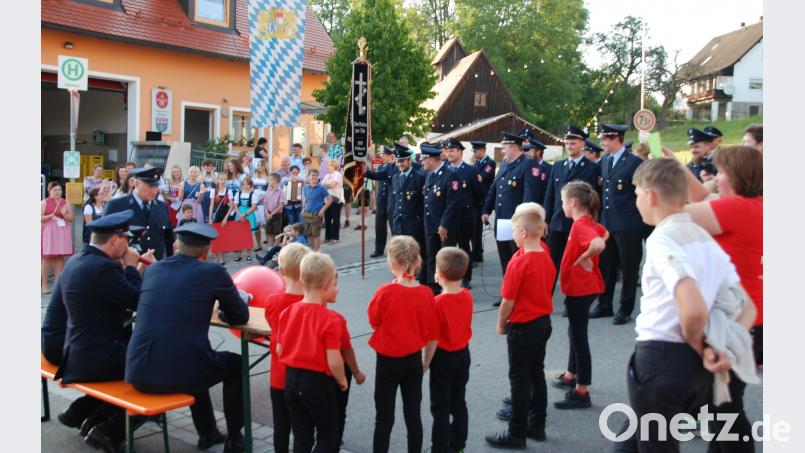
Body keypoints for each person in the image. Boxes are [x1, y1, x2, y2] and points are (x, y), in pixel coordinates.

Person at [612, 157, 754, 453]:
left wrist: (701, 345)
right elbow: (747, 307)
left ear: (650, 195)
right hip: (695, 370)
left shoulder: (663, 239)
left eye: (637, 194)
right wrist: (720, 346)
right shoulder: (705, 238)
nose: (637, 201)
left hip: (663, 356)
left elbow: (693, 308)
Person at [125, 222, 249, 453]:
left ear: (176, 246)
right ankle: (235, 439)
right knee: (234, 364)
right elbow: (240, 315)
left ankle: (208, 433)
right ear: (206, 252)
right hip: (175, 374)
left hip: (137, 369)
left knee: (194, 355)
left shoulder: (154, 269)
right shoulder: (213, 272)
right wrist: (224, 308)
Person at [673, 145, 763, 451]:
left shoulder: (734, 210)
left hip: (733, 320)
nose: (714, 177)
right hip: (749, 318)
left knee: (723, 410)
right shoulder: (754, 205)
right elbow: (701, 196)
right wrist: (675, 167)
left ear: (736, 176)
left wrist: (662, 182)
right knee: (722, 403)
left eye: (720, 172)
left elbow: (672, 213)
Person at [54, 210, 151, 452]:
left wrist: (130, 269)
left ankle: (84, 414)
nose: (129, 245)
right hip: (98, 357)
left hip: (78, 352)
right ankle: (107, 431)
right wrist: (131, 267)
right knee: (162, 370)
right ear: (114, 240)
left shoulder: (77, 260)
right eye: (126, 239)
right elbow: (138, 300)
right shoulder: (103, 268)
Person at [485, 203, 555, 449]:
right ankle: (537, 424)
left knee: (519, 378)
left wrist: (500, 324)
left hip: (523, 325)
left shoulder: (519, 263)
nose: (513, 235)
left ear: (524, 233)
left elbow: (507, 301)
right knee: (536, 373)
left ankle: (516, 432)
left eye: (515, 230)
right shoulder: (545, 253)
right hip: (542, 321)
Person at [368, 236, 438, 453]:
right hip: (413, 360)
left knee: (384, 417)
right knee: (413, 415)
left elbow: (373, 320)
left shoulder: (385, 292)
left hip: (387, 362)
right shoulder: (426, 293)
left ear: (391, 263)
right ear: (418, 262)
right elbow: (432, 334)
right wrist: (425, 362)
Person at [276, 252, 351, 453]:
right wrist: (342, 379)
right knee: (328, 436)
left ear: (301, 281)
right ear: (327, 286)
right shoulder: (330, 319)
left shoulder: (287, 312)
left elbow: (279, 349)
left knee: (302, 435)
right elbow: (334, 360)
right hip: (317, 383)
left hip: (291, 380)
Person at [552, 181, 608, 410]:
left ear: (573, 202)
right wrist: (589, 253)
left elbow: (599, 243)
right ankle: (571, 374)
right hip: (584, 287)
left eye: (563, 202)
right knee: (574, 331)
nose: (562, 206)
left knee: (579, 337)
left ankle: (582, 390)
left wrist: (586, 256)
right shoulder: (587, 222)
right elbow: (605, 234)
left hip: (581, 288)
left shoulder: (580, 225)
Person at [588, 124, 646, 325]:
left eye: (605, 139)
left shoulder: (634, 163)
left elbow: (641, 193)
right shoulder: (605, 161)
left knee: (629, 268)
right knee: (607, 266)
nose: (602, 143)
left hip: (628, 224)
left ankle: (625, 308)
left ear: (616, 139)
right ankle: (605, 304)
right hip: (608, 223)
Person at [481, 132, 547, 305]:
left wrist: (523, 220)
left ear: (513, 147)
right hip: (502, 221)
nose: (502, 151)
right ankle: (508, 294)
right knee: (506, 260)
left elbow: (529, 196)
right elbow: (494, 189)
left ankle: (523, 295)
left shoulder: (528, 165)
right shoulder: (504, 166)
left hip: (517, 223)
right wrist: (486, 209)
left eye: (504, 148)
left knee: (520, 260)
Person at [543, 125, 601, 294]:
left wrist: (592, 223)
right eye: (567, 143)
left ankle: (575, 299)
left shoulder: (592, 168)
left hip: (578, 225)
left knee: (575, 265)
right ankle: (545, 298)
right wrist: (545, 219)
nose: (569, 146)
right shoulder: (558, 166)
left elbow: (594, 198)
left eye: (573, 143)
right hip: (556, 223)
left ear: (582, 144)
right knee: (550, 264)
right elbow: (550, 194)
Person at [263, 243, 310, 453]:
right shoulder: (314, 302)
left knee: (281, 426)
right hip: (306, 374)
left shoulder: (272, 301)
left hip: (279, 375)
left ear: (282, 271)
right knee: (303, 428)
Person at [427, 247, 473, 453]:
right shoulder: (467, 295)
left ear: (440, 274)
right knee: (459, 401)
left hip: (443, 357)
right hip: (463, 354)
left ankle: (440, 448)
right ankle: (458, 445)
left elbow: (432, 339)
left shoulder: (437, 303)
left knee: (440, 407)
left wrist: (425, 363)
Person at [105, 167, 175, 260]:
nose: (154, 191)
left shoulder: (162, 207)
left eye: (156, 186)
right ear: (136, 183)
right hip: (126, 265)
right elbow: (104, 240)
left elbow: (168, 241)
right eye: (150, 186)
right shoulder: (117, 206)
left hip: (155, 265)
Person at [443, 138, 483, 289]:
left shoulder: (471, 171)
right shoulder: (444, 170)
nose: (449, 153)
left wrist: (475, 214)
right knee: (448, 250)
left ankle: (466, 278)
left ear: (460, 152)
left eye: (452, 151)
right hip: (448, 218)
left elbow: (478, 194)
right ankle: (448, 278)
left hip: (464, 217)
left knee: (464, 248)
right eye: (447, 151)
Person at [421, 143, 460, 295]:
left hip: (445, 225)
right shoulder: (430, 174)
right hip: (430, 223)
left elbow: (452, 203)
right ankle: (433, 285)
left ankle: (448, 285)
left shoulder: (450, 175)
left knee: (445, 257)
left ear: (431, 160)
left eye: (424, 159)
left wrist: (444, 224)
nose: (422, 162)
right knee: (431, 255)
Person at [389, 144, 428, 285]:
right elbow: (395, 200)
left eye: (402, 161)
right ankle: (402, 276)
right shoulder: (395, 178)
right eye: (398, 161)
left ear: (409, 161)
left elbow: (423, 203)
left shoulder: (420, 177)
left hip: (414, 222)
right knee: (400, 252)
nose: (399, 164)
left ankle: (420, 278)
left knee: (416, 252)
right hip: (399, 222)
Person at [364, 145, 398, 258]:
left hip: (391, 202)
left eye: (384, 155)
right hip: (381, 201)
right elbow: (377, 178)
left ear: (391, 156)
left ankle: (397, 250)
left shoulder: (395, 167)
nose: (382, 156)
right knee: (379, 228)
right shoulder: (382, 167)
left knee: (394, 228)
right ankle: (379, 249)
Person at [41, 181, 74, 293]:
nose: (58, 192)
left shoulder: (65, 202)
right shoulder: (45, 202)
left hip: (62, 230)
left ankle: (57, 285)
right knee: (47, 258)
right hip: (50, 231)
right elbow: (40, 217)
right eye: (55, 190)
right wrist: (49, 216)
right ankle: (44, 285)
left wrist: (64, 214)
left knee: (60, 257)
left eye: (60, 190)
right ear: (49, 190)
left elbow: (71, 218)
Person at [471, 141, 495, 263]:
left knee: (477, 228)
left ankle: (477, 255)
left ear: (482, 150)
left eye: (475, 151)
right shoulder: (477, 162)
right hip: (475, 198)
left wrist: (470, 170)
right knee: (473, 228)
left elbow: (480, 177)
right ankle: (477, 251)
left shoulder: (490, 163)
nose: (474, 154)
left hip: (483, 199)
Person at [226, 176, 258, 263]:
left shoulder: (253, 195)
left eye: (247, 184)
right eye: (244, 184)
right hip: (239, 215)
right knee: (239, 236)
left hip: (249, 215)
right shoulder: (238, 194)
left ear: (250, 185)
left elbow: (254, 207)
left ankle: (248, 255)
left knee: (248, 236)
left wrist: (245, 214)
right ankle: (239, 255)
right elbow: (235, 205)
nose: (245, 186)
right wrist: (239, 214)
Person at [301, 169, 332, 251]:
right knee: (309, 234)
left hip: (316, 214)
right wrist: (303, 208)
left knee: (316, 235)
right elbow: (305, 199)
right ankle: (311, 251)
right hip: (307, 214)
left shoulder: (321, 188)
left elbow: (330, 199)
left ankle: (316, 252)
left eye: (316, 175)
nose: (314, 177)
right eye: (312, 175)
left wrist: (323, 209)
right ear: (308, 177)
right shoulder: (306, 188)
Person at [210, 173, 233, 264]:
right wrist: (210, 218)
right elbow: (211, 205)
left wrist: (226, 218)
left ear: (227, 180)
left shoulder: (229, 191)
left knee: (223, 237)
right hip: (216, 215)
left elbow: (231, 206)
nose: (223, 181)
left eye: (224, 179)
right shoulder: (213, 191)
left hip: (224, 215)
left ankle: (221, 256)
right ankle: (215, 256)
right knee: (215, 236)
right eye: (221, 179)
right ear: (218, 180)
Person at [322, 159, 345, 244]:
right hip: (327, 199)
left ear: (333, 166)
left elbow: (333, 185)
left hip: (336, 199)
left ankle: (335, 238)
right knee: (327, 219)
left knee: (335, 219)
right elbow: (322, 185)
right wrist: (327, 185)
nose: (327, 167)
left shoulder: (337, 175)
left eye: (329, 166)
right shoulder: (327, 175)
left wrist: (326, 184)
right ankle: (327, 237)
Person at [522, 138, 552, 204]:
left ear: (538, 152)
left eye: (528, 150)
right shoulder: (523, 166)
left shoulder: (550, 169)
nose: (525, 153)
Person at [252, 160, 271, 251]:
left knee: (265, 225)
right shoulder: (254, 176)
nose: (260, 167)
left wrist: (260, 199)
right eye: (259, 165)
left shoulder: (268, 178)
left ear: (265, 166)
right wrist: (254, 199)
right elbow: (251, 188)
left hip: (263, 204)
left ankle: (269, 245)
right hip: (255, 203)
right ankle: (259, 244)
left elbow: (268, 191)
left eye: (261, 165)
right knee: (257, 225)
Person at [263, 173, 286, 247]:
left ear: (275, 181)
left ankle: (275, 248)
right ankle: (270, 247)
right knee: (269, 232)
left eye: (270, 179)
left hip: (277, 215)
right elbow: (265, 202)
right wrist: (267, 213)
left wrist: (271, 214)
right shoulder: (268, 190)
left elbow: (280, 206)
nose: (268, 181)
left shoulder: (281, 192)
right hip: (268, 214)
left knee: (277, 233)